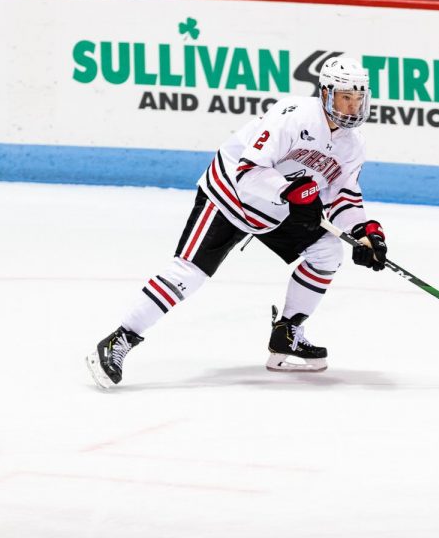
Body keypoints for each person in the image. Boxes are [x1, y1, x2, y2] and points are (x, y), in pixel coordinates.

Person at [86, 57, 388, 388]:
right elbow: (248, 172)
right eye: (346, 96)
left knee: (329, 251)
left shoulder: (353, 142)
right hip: (229, 196)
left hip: (278, 208)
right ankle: (120, 339)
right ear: (325, 92)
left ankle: (287, 333)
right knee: (190, 274)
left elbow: (343, 194)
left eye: (359, 97)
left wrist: (363, 231)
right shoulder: (292, 116)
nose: (353, 105)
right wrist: (290, 191)